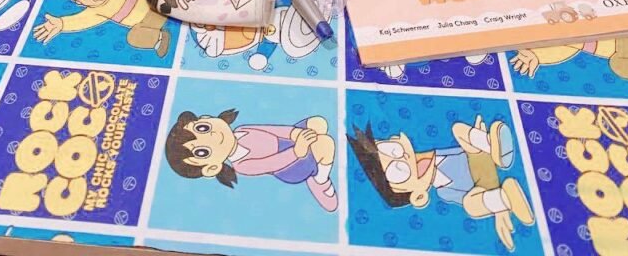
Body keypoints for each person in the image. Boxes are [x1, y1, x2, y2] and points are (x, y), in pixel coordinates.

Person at [348, 118, 534, 251]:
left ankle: (493, 147)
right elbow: (470, 199)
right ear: (418, 196)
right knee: (470, 205)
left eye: (393, 149)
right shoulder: (445, 192)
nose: (405, 158)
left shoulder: (437, 154)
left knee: (459, 130)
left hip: (478, 155)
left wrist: (478, 141)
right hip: (483, 187)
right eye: (399, 170)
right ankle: (503, 197)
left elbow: (463, 144)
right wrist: (498, 208)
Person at [165, 107, 338, 210]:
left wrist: (295, 133)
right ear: (212, 168)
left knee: (318, 123)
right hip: (290, 166)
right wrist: (298, 151)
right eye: (202, 152)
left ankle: (315, 159)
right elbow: (272, 164)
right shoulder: (242, 165)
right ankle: (320, 179)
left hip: (289, 141)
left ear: (206, 119)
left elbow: (275, 130)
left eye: (203, 129)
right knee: (326, 144)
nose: (214, 137)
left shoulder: (242, 129)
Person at [33, 0, 171, 55]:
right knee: (133, 38)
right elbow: (81, 21)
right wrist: (62, 23)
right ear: (81, 4)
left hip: (156, 3)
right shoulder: (97, 11)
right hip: (147, 23)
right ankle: (159, 38)